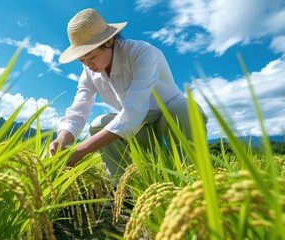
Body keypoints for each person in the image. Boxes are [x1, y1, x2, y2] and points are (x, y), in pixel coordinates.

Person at [49, 8, 208, 186]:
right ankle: (125, 190)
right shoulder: (89, 73)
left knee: (184, 109)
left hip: (169, 119)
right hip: (139, 130)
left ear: (109, 41)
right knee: (98, 124)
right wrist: (61, 138)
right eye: (82, 61)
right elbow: (78, 110)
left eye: (91, 56)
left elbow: (133, 110)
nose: (87, 65)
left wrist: (82, 150)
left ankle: (193, 181)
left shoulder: (142, 53)